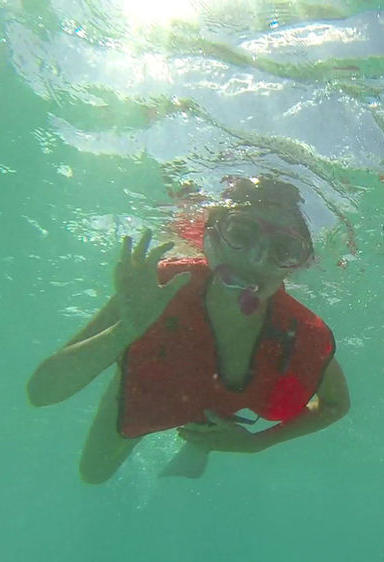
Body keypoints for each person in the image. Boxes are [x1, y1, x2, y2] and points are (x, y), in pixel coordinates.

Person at [27, 176, 350, 484]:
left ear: (295, 266)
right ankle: (149, 390)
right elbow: (41, 393)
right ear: (210, 237)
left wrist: (255, 443)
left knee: (208, 412)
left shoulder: (300, 331)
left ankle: (200, 434)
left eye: (284, 249)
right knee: (93, 474)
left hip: (214, 407)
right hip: (150, 390)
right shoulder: (158, 288)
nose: (257, 257)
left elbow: (336, 405)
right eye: (241, 233)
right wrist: (126, 331)